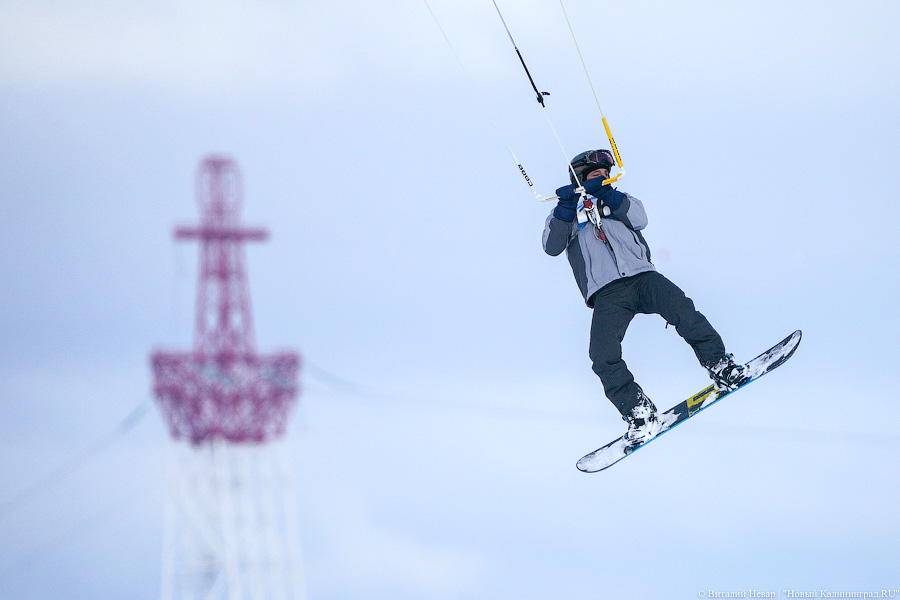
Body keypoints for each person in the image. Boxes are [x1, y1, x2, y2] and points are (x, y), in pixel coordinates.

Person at [542, 149, 749, 445]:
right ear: (580, 177)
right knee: (602, 356)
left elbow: (639, 218)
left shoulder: (621, 200)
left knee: (684, 312)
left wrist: (609, 195)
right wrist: (564, 208)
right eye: (596, 175)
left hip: (642, 277)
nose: (603, 179)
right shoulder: (565, 215)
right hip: (606, 294)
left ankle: (720, 366)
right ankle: (639, 412)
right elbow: (551, 246)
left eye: (606, 175)